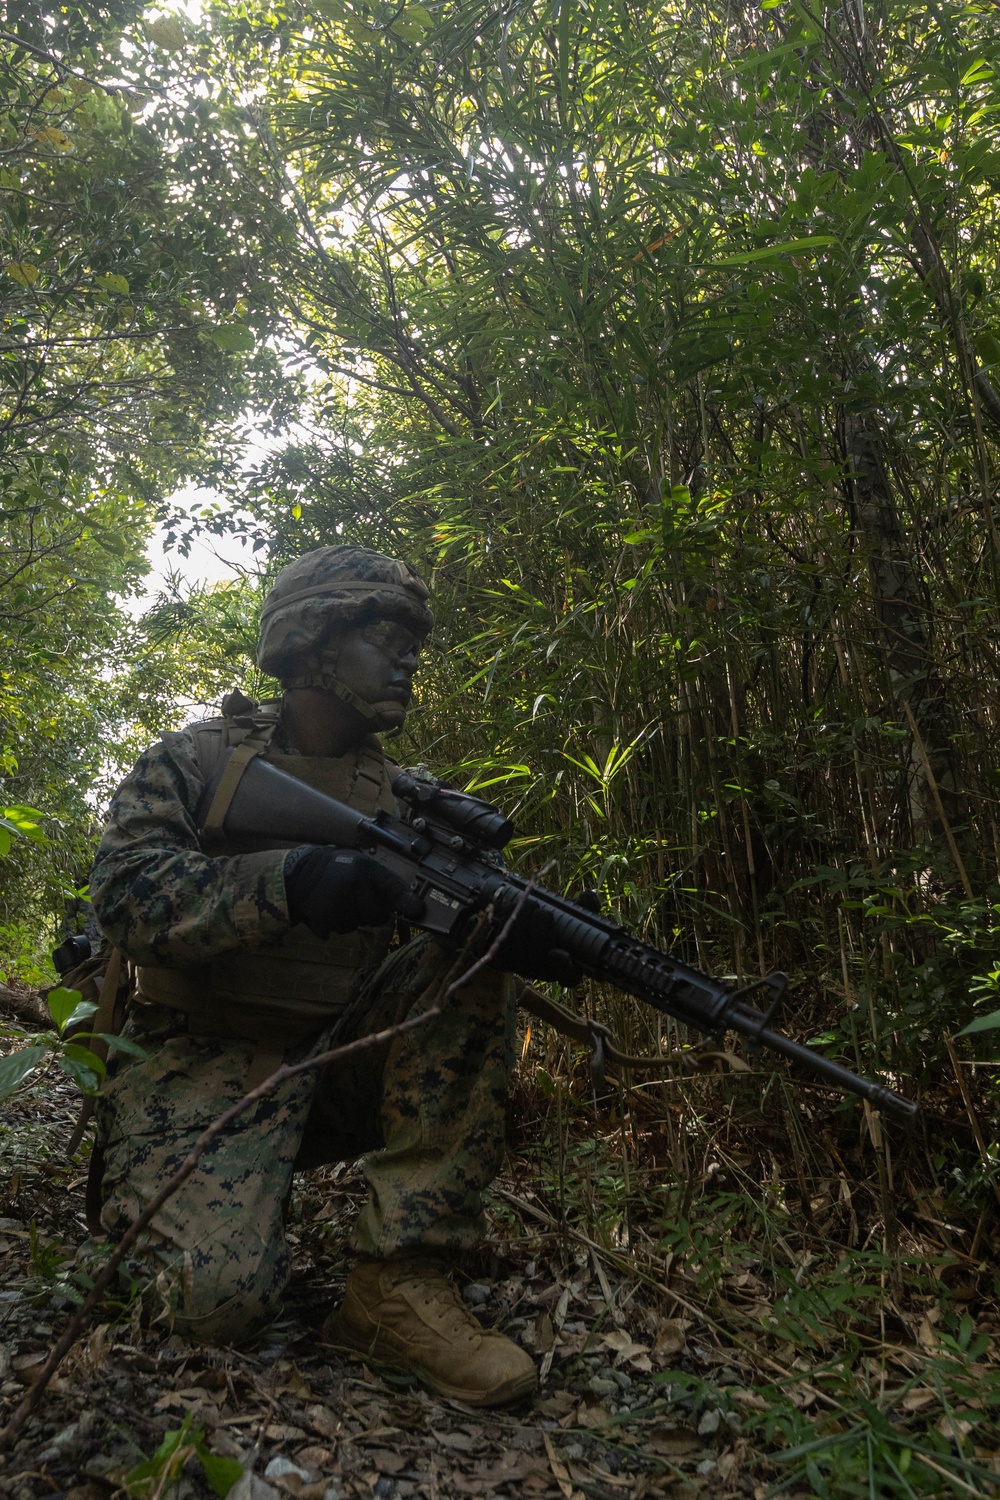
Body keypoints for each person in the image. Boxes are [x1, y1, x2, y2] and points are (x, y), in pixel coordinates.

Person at [89, 544, 555, 1408]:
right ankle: (163, 1189)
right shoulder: (194, 765)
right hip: (198, 1062)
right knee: (205, 1305)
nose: (411, 656)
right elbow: (123, 899)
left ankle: (400, 1283)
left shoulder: (411, 803)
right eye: (387, 634)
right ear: (312, 643)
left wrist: (528, 933)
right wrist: (290, 883)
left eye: (414, 638)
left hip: (337, 1059)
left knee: (477, 952)